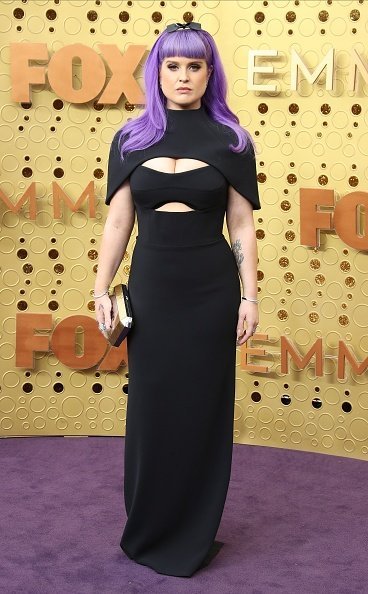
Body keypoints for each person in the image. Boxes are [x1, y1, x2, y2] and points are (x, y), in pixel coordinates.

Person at [93, 21, 261, 577]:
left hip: (210, 291)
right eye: (173, 65)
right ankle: (148, 526)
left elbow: (241, 223)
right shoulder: (131, 138)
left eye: (195, 65)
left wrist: (250, 297)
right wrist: (100, 290)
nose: (183, 76)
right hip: (153, 291)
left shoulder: (232, 140)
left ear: (209, 73)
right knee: (152, 408)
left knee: (201, 410)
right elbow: (119, 220)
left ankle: (192, 532)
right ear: (156, 72)